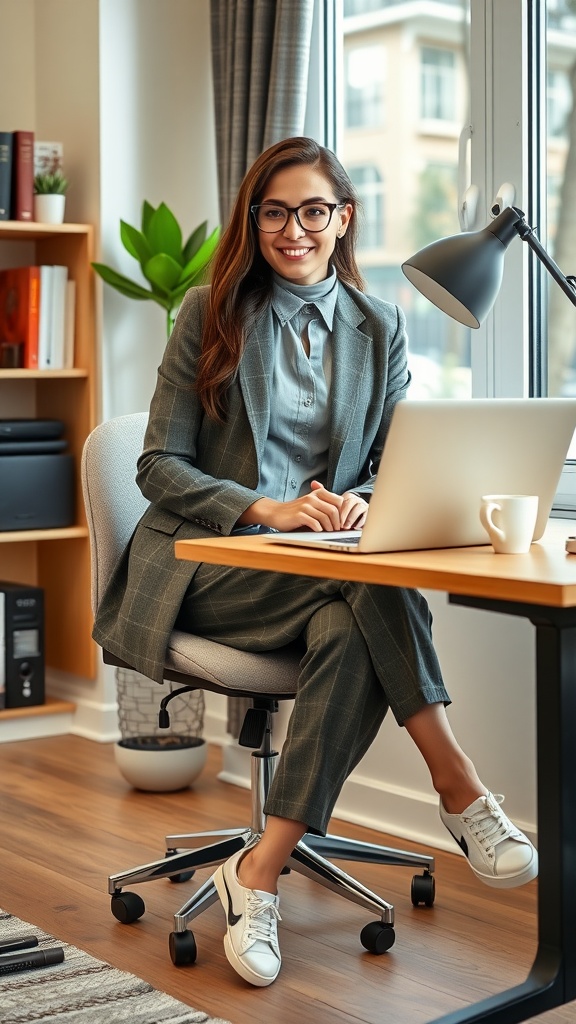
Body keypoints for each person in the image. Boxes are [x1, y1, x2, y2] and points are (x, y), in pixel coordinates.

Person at [93, 136, 537, 989]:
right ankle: (460, 785)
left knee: (347, 615)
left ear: (344, 219)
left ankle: (258, 870)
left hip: (324, 567)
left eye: (312, 210)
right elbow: (156, 466)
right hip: (208, 564)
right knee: (366, 583)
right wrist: (265, 508)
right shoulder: (210, 312)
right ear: (253, 220)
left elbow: (393, 459)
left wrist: (367, 498)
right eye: (274, 211)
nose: (292, 229)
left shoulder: (381, 324)